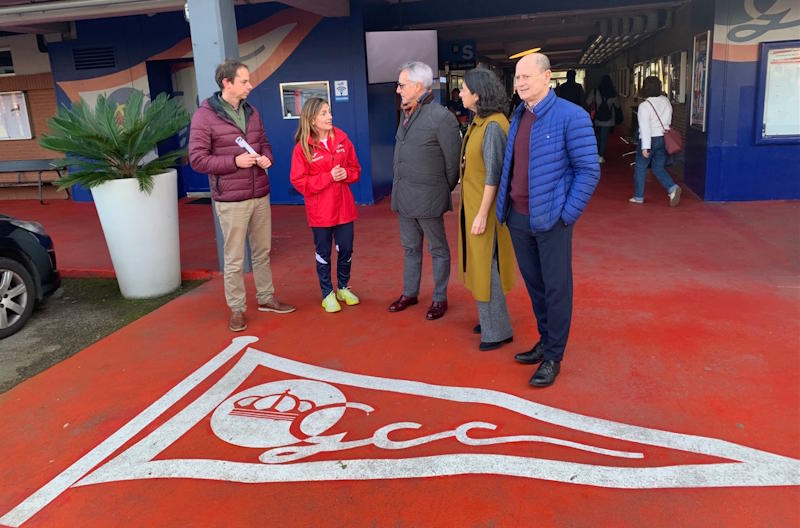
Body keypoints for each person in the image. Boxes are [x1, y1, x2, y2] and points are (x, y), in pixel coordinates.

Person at [497, 52, 600, 387]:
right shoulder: (519, 115)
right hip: (519, 218)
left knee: (557, 289)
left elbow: (588, 170)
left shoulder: (572, 116)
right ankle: (545, 340)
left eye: (527, 76)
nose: (521, 82)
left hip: (552, 219)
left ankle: (554, 355)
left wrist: (566, 215)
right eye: (517, 77)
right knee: (536, 286)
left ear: (547, 77)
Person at [189, 59, 295, 332]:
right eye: (244, 81)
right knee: (234, 258)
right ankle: (236, 308)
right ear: (227, 83)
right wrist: (234, 163)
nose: (250, 85)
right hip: (231, 199)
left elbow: (265, 143)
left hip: (259, 192)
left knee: (262, 252)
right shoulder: (204, 116)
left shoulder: (252, 112)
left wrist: (266, 159)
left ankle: (266, 298)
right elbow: (198, 160)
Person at [389, 61, 462, 320]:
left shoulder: (441, 117)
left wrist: (441, 189)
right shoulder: (407, 112)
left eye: (401, 85)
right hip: (405, 196)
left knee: (438, 249)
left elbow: (453, 165)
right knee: (410, 247)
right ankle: (410, 293)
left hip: (428, 197)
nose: (397, 90)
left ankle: (440, 298)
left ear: (418, 86)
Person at [457, 68, 516, 351]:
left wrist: (481, 214)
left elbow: (495, 175)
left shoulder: (493, 126)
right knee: (480, 264)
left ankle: (497, 330)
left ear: (477, 94)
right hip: (476, 205)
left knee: (487, 266)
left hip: (486, 210)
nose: (459, 93)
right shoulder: (481, 122)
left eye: (463, 89)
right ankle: (491, 319)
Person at [290, 97, 361, 313]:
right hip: (321, 212)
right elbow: (299, 182)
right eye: (323, 113)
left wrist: (345, 173)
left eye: (329, 112)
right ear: (312, 120)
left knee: (346, 249)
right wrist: (329, 177)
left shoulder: (343, 140)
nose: (329, 116)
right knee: (323, 252)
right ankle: (327, 294)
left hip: (344, 209)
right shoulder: (303, 148)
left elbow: (356, 170)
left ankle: (342, 288)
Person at [629, 76, 682, 207]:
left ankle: (638, 196)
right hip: (664, 138)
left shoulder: (644, 106)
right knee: (658, 167)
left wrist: (645, 147)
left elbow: (645, 128)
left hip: (650, 139)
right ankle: (672, 188)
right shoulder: (666, 101)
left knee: (640, 168)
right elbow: (669, 120)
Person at [586, 74, 621, 163]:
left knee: (597, 137)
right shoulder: (612, 93)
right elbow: (617, 105)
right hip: (609, 120)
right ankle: (601, 156)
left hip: (598, 118)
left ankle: (596, 153)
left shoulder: (595, 91)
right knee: (604, 138)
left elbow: (588, 102)